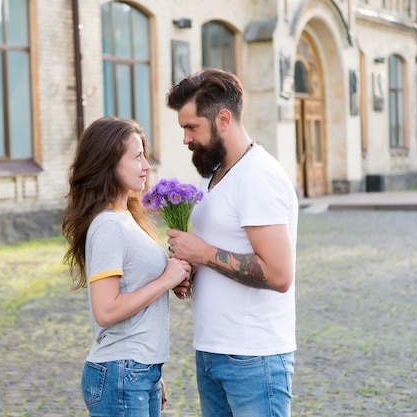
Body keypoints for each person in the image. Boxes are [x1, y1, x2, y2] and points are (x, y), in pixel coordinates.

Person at [165, 68, 299, 417]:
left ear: (223, 119)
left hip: (253, 358)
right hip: (212, 351)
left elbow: (279, 274)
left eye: (191, 127)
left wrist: (204, 253)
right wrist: (190, 271)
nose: (185, 139)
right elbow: (223, 250)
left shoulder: (258, 176)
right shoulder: (216, 175)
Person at [62, 116, 192, 417]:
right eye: (136, 157)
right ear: (108, 163)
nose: (146, 165)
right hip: (122, 372)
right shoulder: (108, 225)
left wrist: (152, 373)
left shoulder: (125, 218)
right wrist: (165, 280)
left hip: (138, 371)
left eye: (144, 155)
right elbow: (106, 311)